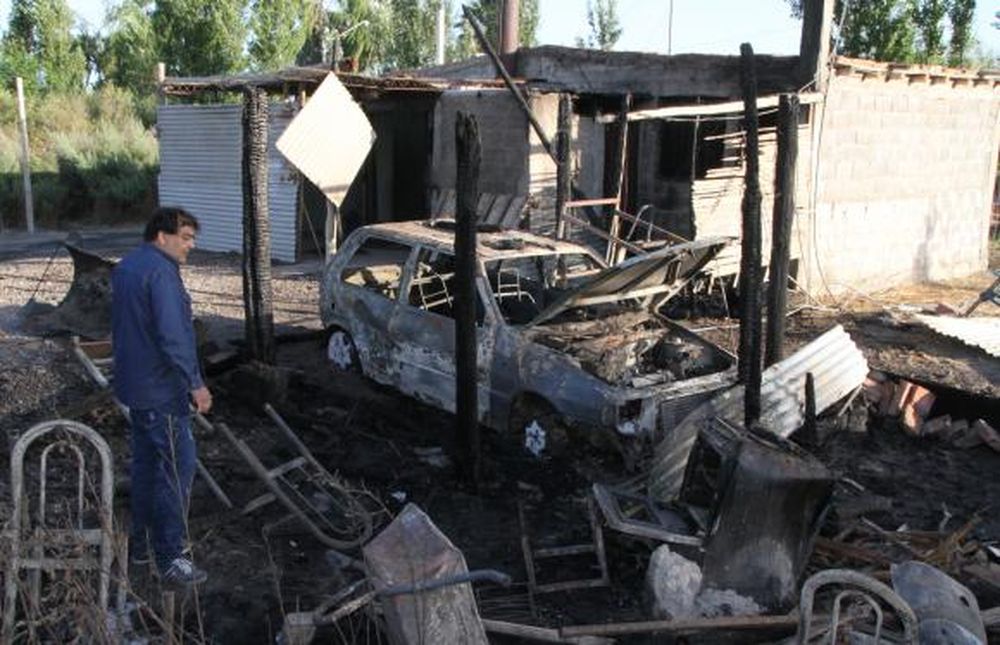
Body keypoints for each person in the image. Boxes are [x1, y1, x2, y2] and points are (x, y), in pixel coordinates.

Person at [112, 207, 211, 585]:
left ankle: (139, 547)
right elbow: (173, 336)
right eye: (185, 238)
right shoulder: (161, 273)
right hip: (161, 391)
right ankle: (170, 557)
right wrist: (195, 383)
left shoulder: (127, 267)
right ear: (162, 236)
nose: (191, 245)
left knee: (147, 469)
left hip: (135, 388)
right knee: (176, 471)